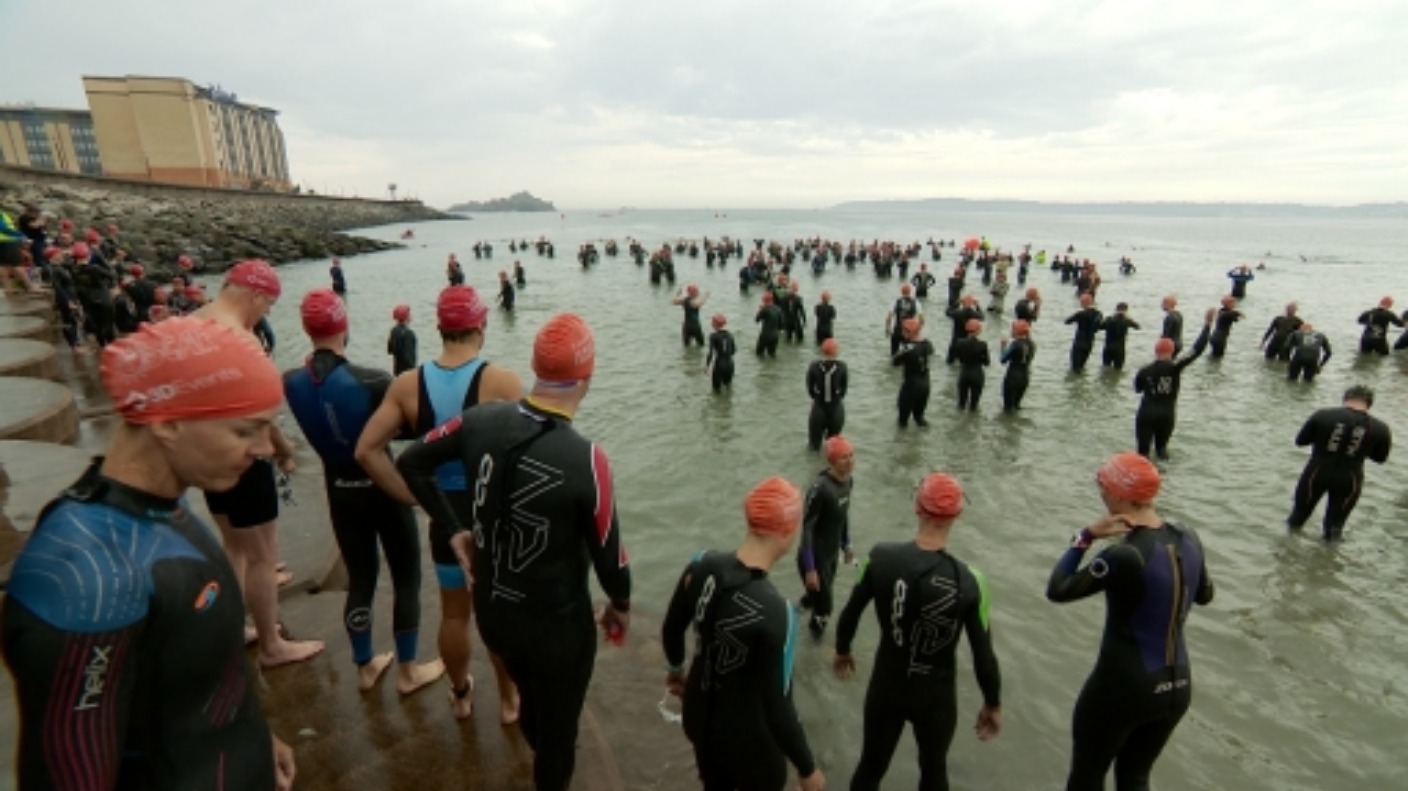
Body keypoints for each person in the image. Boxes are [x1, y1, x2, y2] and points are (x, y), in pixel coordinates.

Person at [1, 317, 297, 790]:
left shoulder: (160, 508)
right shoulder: (88, 576)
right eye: (246, 431)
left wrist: (255, 738)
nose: (263, 449)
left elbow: (188, 682)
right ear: (168, 423)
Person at [396, 314, 632, 791]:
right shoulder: (588, 458)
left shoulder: (481, 419)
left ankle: (540, 751)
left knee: (528, 699)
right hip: (557, 629)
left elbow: (412, 460)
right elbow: (612, 561)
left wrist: (454, 527)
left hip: (495, 613)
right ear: (588, 376)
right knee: (560, 737)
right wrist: (621, 608)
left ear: (535, 366)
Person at [353, 285, 520, 722]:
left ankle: (461, 696)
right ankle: (508, 702)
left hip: (443, 514)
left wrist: (411, 495)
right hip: (490, 514)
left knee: (454, 615)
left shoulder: (408, 385)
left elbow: (367, 449)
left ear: (440, 329)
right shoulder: (501, 381)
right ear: (481, 327)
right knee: (497, 615)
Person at [283, 289, 445, 694]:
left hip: (339, 489)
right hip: (383, 488)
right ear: (345, 325)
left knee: (361, 578)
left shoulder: (290, 382)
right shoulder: (372, 380)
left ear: (306, 328)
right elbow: (413, 427)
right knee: (406, 577)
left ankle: (364, 665)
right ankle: (408, 671)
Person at [1046, 453, 1214, 791]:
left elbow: (1058, 589)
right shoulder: (1189, 536)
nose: (1101, 493)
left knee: (1087, 778)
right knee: (1135, 778)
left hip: (1123, 687)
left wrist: (1085, 537)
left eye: (1103, 487)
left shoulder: (1127, 554)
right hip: (1177, 687)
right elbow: (1205, 595)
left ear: (1122, 496)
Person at [834, 472, 1002, 791]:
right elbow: (984, 656)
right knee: (934, 771)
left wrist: (843, 650)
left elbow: (850, 613)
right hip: (935, 696)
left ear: (917, 507)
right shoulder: (971, 581)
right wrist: (992, 703)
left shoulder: (880, 557)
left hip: (887, 684)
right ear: (958, 514)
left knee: (871, 766)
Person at [194, 260, 324, 668]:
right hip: (246, 458)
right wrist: (285, 450)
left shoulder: (192, 323)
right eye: (267, 306)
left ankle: (233, 627)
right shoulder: (242, 340)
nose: (265, 313)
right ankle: (271, 645)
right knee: (263, 556)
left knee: (232, 546)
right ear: (255, 294)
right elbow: (262, 415)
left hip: (205, 455)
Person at [661, 477, 826, 791]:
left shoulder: (700, 564)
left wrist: (675, 670)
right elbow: (779, 708)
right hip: (749, 744)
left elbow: (671, 628)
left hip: (698, 716)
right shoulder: (780, 614)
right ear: (788, 531)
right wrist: (807, 768)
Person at [1286, 385, 1392, 541]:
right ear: (1369, 404)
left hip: (1316, 473)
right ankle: (1328, 562)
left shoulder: (1323, 416)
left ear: (1345, 398)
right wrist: (1359, 445)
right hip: (1350, 480)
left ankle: (1287, 554)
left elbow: (1301, 441)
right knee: (1335, 528)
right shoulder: (1381, 428)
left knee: (1297, 518)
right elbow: (1380, 459)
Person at [798, 436, 856, 641]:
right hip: (814, 556)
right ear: (831, 461)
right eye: (843, 458)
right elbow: (807, 529)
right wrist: (811, 569)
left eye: (851, 455)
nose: (850, 461)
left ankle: (797, 611)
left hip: (830, 554)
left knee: (817, 597)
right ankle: (813, 644)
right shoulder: (820, 488)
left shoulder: (849, 481)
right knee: (826, 608)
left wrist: (846, 544)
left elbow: (842, 515)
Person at [1132, 313, 1212, 460]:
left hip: (1146, 413)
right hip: (1166, 414)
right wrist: (1207, 326)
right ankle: (1162, 479)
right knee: (1162, 450)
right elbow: (1196, 350)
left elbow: (1137, 389)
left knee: (1142, 453)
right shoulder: (1175, 367)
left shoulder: (1144, 370)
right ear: (1172, 351)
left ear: (1156, 351)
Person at [806, 338, 848, 452]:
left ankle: (813, 468)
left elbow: (810, 389)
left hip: (819, 408)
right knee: (833, 447)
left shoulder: (813, 366)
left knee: (813, 447)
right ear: (836, 352)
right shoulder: (842, 367)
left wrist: (817, 397)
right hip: (836, 409)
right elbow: (844, 389)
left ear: (822, 351)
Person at [893, 318, 934, 428]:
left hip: (911, 385)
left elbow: (895, 362)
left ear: (909, 332)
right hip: (926, 384)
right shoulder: (928, 344)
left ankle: (902, 443)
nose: (901, 332)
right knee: (919, 418)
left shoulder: (907, 349)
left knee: (902, 421)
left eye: (903, 330)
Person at [951, 318, 990, 412]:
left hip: (964, 373)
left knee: (961, 404)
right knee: (974, 406)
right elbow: (987, 362)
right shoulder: (983, 345)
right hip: (977, 374)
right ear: (979, 330)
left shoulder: (960, 342)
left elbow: (955, 356)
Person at [1000, 319, 1036, 412]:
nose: (1011, 331)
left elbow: (1003, 359)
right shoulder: (1032, 344)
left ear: (1016, 331)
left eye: (1012, 329)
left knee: (1008, 408)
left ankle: (1008, 425)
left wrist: (1003, 346)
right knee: (1017, 406)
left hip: (1013, 377)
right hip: (1025, 377)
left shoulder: (1015, 345)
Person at [1065, 293, 1103, 371]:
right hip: (1090, 343)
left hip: (1079, 342)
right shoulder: (1099, 314)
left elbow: (1067, 321)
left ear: (1083, 303)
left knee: (1075, 368)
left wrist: (1077, 315)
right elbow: (1098, 327)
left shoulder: (1081, 314)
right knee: (1082, 366)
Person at [1099, 302, 1141, 370]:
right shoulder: (1127, 321)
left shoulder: (1109, 319)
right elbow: (1138, 327)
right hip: (1120, 349)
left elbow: (1100, 327)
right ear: (1126, 311)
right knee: (1118, 370)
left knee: (1105, 368)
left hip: (1108, 348)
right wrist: (1128, 318)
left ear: (1116, 309)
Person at [885, 283, 922, 356]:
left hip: (897, 331)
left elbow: (889, 318)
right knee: (909, 354)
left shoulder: (896, 302)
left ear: (901, 291)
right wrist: (917, 331)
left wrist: (887, 329)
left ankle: (894, 365)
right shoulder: (916, 303)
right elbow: (922, 320)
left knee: (894, 354)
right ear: (910, 291)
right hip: (910, 332)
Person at [706, 313, 737, 393]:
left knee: (716, 391)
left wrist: (707, 366)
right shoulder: (730, 335)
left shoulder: (713, 336)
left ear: (714, 324)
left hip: (720, 365)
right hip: (730, 365)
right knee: (728, 388)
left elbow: (711, 353)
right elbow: (734, 350)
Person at [387, 303, 418, 375]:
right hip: (408, 372)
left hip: (397, 369)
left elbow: (390, 350)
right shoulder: (409, 334)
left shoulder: (394, 331)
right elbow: (410, 358)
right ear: (407, 317)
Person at [756, 291, 784, 358]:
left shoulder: (764, 309)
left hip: (765, 335)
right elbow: (781, 325)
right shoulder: (778, 309)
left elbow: (757, 319)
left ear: (764, 301)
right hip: (775, 336)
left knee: (759, 354)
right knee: (772, 354)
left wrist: (761, 309)